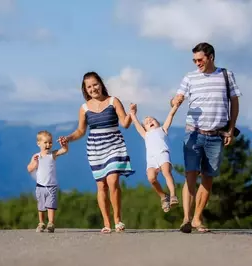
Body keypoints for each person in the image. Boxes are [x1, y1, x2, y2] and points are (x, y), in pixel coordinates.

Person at [171, 42, 242, 233]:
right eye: (194, 60)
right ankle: (186, 218)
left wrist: (231, 128)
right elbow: (176, 98)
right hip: (193, 133)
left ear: (210, 57)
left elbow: (234, 102)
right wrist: (175, 100)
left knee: (208, 178)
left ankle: (197, 218)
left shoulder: (226, 75)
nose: (197, 63)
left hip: (216, 134)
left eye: (200, 59)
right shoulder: (190, 77)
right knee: (190, 174)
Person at [58, 71, 135, 234]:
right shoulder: (84, 108)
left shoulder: (113, 101)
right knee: (101, 185)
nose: (93, 88)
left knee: (113, 180)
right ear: (85, 90)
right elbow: (80, 131)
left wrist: (132, 114)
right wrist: (68, 138)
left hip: (114, 143)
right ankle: (107, 223)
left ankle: (117, 220)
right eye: (89, 86)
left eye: (95, 84)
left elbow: (125, 124)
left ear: (101, 84)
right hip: (95, 147)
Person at [129, 102, 181, 212]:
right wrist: (133, 113)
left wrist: (175, 106)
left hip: (163, 154)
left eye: (152, 120)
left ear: (158, 122)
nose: (150, 122)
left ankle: (173, 196)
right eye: (147, 123)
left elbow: (170, 115)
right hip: (151, 159)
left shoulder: (163, 129)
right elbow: (137, 124)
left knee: (166, 172)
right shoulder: (145, 134)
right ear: (145, 128)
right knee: (151, 178)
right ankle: (163, 196)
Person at [27, 130, 68, 233]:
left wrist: (64, 144)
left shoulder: (52, 155)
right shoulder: (36, 156)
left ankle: (51, 223)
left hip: (51, 186)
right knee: (41, 206)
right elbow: (29, 168)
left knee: (51, 205)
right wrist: (35, 164)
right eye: (45, 142)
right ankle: (41, 223)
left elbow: (64, 150)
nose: (48, 145)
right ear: (38, 143)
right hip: (40, 186)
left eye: (50, 142)